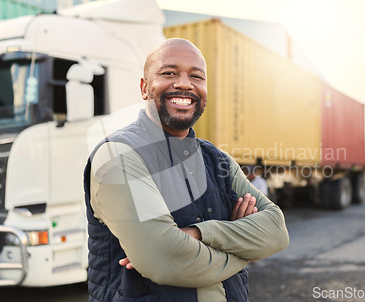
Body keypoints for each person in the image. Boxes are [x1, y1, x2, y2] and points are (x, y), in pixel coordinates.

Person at [84, 38, 289, 302]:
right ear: (144, 88)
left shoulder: (218, 161)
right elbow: (164, 259)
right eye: (169, 73)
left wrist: (199, 234)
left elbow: (276, 230)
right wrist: (246, 250)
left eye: (197, 76)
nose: (184, 83)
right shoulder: (118, 156)